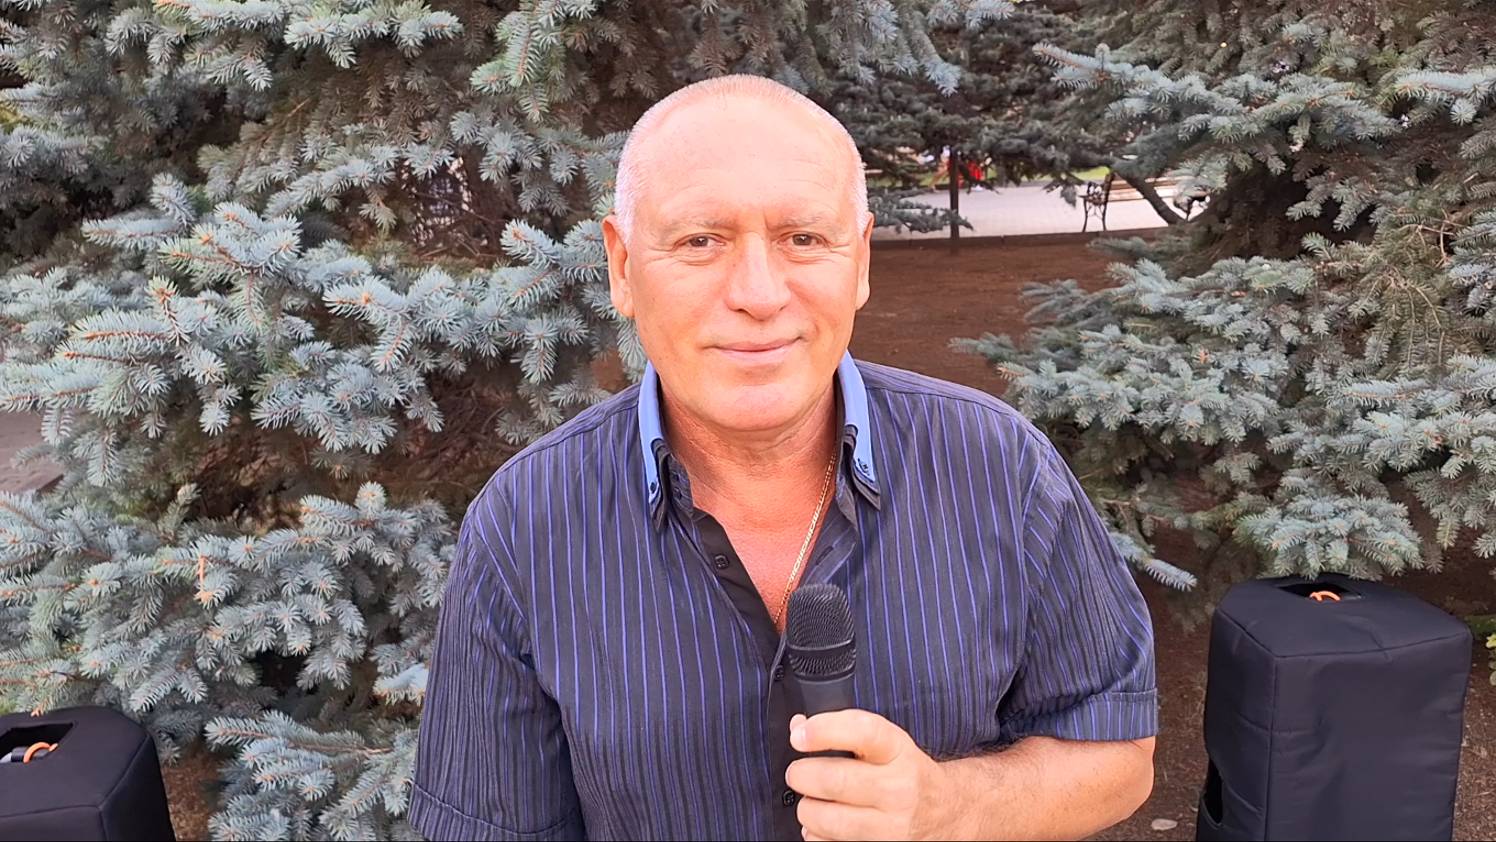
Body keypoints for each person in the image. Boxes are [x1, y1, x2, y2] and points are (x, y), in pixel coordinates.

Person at [409, 74, 1157, 842]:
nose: (759, 294)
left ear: (859, 261)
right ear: (622, 267)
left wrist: (951, 806)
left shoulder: (1001, 467)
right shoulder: (524, 523)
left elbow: (1116, 751)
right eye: (700, 241)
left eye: (804, 239)